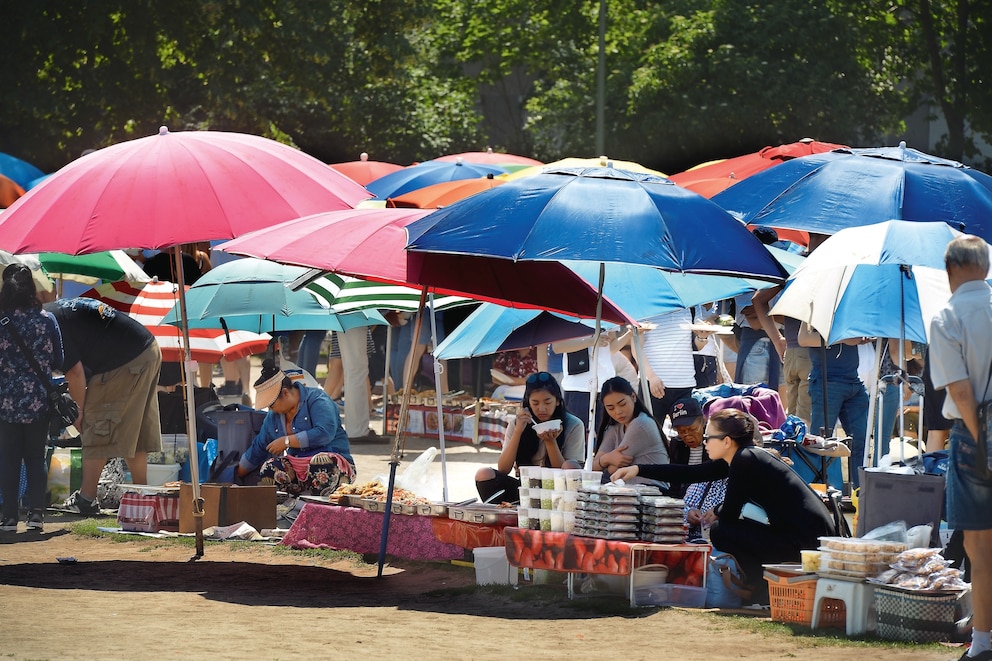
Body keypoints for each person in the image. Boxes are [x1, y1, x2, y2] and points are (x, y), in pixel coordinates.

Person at [612, 408, 836, 597]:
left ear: (727, 441)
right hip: (804, 539)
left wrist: (717, 510)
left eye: (709, 437)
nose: (705, 442)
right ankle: (759, 588)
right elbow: (688, 473)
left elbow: (730, 510)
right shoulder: (742, 457)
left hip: (807, 545)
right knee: (724, 528)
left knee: (722, 530)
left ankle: (759, 590)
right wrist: (639, 469)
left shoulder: (746, 459)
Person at [928, 234, 992, 661]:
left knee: (979, 547)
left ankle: (983, 643)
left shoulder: (948, 315)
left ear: (950, 271)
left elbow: (962, 391)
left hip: (976, 431)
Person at [48, 297, 162, 515]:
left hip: (124, 359)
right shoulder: (51, 313)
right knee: (134, 429)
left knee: (97, 421)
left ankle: (86, 499)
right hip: (147, 348)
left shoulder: (46, 327)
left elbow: (75, 372)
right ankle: (142, 495)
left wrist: (79, 412)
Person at [0, 264, 63, 532]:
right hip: (39, 401)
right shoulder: (47, 320)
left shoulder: (2, 322)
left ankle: (9, 517)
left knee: (8, 458)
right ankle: (36, 514)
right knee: (36, 457)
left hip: (5, 402)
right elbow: (59, 360)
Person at [235, 360, 355, 496]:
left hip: (334, 466)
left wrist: (287, 441)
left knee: (320, 462)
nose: (270, 409)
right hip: (298, 469)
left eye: (272, 405)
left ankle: (316, 507)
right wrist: (234, 475)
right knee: (270, 467)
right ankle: (287, 505)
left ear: (286, 393)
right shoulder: (273, 417)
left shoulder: (318, 399)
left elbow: (324, 433)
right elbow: (259, 447)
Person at [474, 372, 584, 503]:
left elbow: (567, 474)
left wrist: (550, 442)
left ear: (558, 401)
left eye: (548, 402)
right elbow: (503, 469)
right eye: (535, 403)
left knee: (570, 466)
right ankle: (507, 514)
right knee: (484, 474)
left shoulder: (574, 425)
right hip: (525, 489)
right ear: (528, 403)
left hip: (556, 492)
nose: (541, 408)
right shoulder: (517, 423)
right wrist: (518, 431)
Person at [798, 322, 871, 489]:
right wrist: (844, 338)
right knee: (821, 442)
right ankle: (820, 491)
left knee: (861, 441)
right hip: (827, 381)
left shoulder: (847, 303)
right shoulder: (814, 301)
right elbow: (803, 338)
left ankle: (860, 494)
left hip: (853, 380)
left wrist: (858, 338)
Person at [592, 376, 669, 485]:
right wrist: (606, 459)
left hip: (653, 492)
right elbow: (592, 469)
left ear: (633, 397)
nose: (618, 412)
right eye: (610, 408)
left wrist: (604, 461)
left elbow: (613, 469)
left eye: (622, 404)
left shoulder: (641, 424)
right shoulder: (615, 427)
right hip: (628, 493)